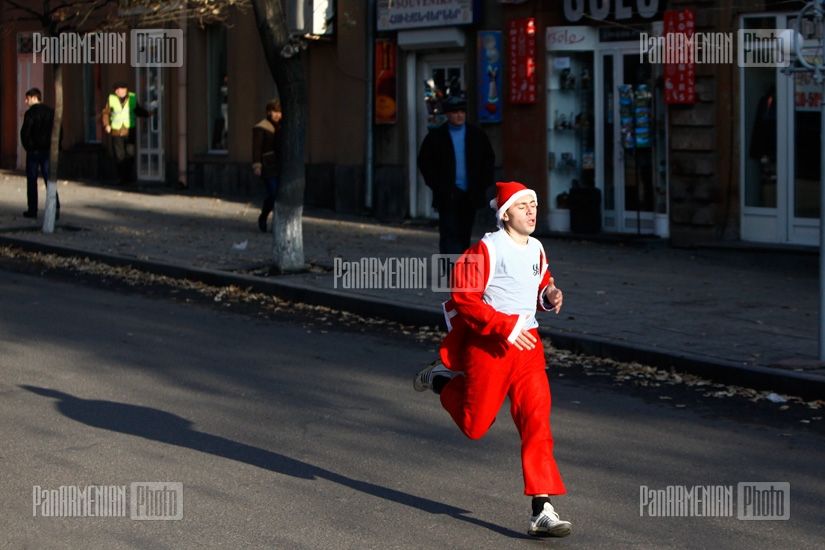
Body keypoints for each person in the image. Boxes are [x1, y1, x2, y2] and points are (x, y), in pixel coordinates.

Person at [413, 181, 572, 538]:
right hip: (490, 349)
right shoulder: (488, 248)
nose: (532, 211)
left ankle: (541, 508)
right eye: (523, 206)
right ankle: (441, 379)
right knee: (474, 426)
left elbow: (540, 280)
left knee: (537, 423)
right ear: (505, 213)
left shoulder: (537, 248)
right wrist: (503, 325)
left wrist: (549, 294)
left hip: (528, 347)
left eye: (534, 204)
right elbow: (465, 296)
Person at [417, 93, 495, 255]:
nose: (459, 115)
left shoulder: (476, 135)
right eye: (454, 112)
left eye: (462, 112)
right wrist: (437, 185)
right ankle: (451, 268)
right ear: (447, 114)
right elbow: (425, 162)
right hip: (448, 193)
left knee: (464, 232)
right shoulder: (436, 137)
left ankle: (461, 270)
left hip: (470, 193)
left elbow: (488, 160)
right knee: (449, 231)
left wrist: (482, 183)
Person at [102, 82, 152, 185]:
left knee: (130, 153)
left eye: (118, 89)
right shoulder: (112, 99)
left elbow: (137, 110)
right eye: (115, 89)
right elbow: (105, 112)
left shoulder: (132, 98)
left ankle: (128, 176)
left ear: (125, 89)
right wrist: (106, 124)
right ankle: (121, 177)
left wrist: (147, 114)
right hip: (116, 131)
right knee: (119, 155)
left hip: (129, 130)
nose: (116, 91)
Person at [20, 88, 58, 220]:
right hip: (48, 150)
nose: (26, 101)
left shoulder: (31, 113)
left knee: (32, 180)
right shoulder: (50, 112)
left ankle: (32, 209)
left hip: (34, 151)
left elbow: (25, 132)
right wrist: (56, 146)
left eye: (27, 98)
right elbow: (58, 130)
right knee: (49, 179)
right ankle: (55, 207)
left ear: (34, 98)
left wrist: (28, 146)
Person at [252, 99, 283, 232]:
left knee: (280, 195)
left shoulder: (283, 127)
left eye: (279, 112)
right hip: (268, 166)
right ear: (269, 112)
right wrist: (257, 165)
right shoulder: (262, 127)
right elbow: (256, 148)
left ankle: (277, 223)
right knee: (273, 193)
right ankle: (264, 216)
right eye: (274, 111)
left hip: (281, 166)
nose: (277, 115)